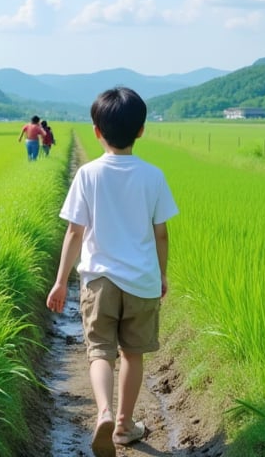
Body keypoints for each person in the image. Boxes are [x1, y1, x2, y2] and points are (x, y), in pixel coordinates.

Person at [45, 87, 177, 457]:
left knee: (100, 352)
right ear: (141, 131)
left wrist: (59, 282)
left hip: (99, 279)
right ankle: (123, 424)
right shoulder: (153, 176)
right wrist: (161, 274)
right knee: (133, 354)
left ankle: (103, 410)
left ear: (96, 131)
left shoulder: (88, 175)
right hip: (141, 281)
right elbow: (161, 234)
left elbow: (75, 231)